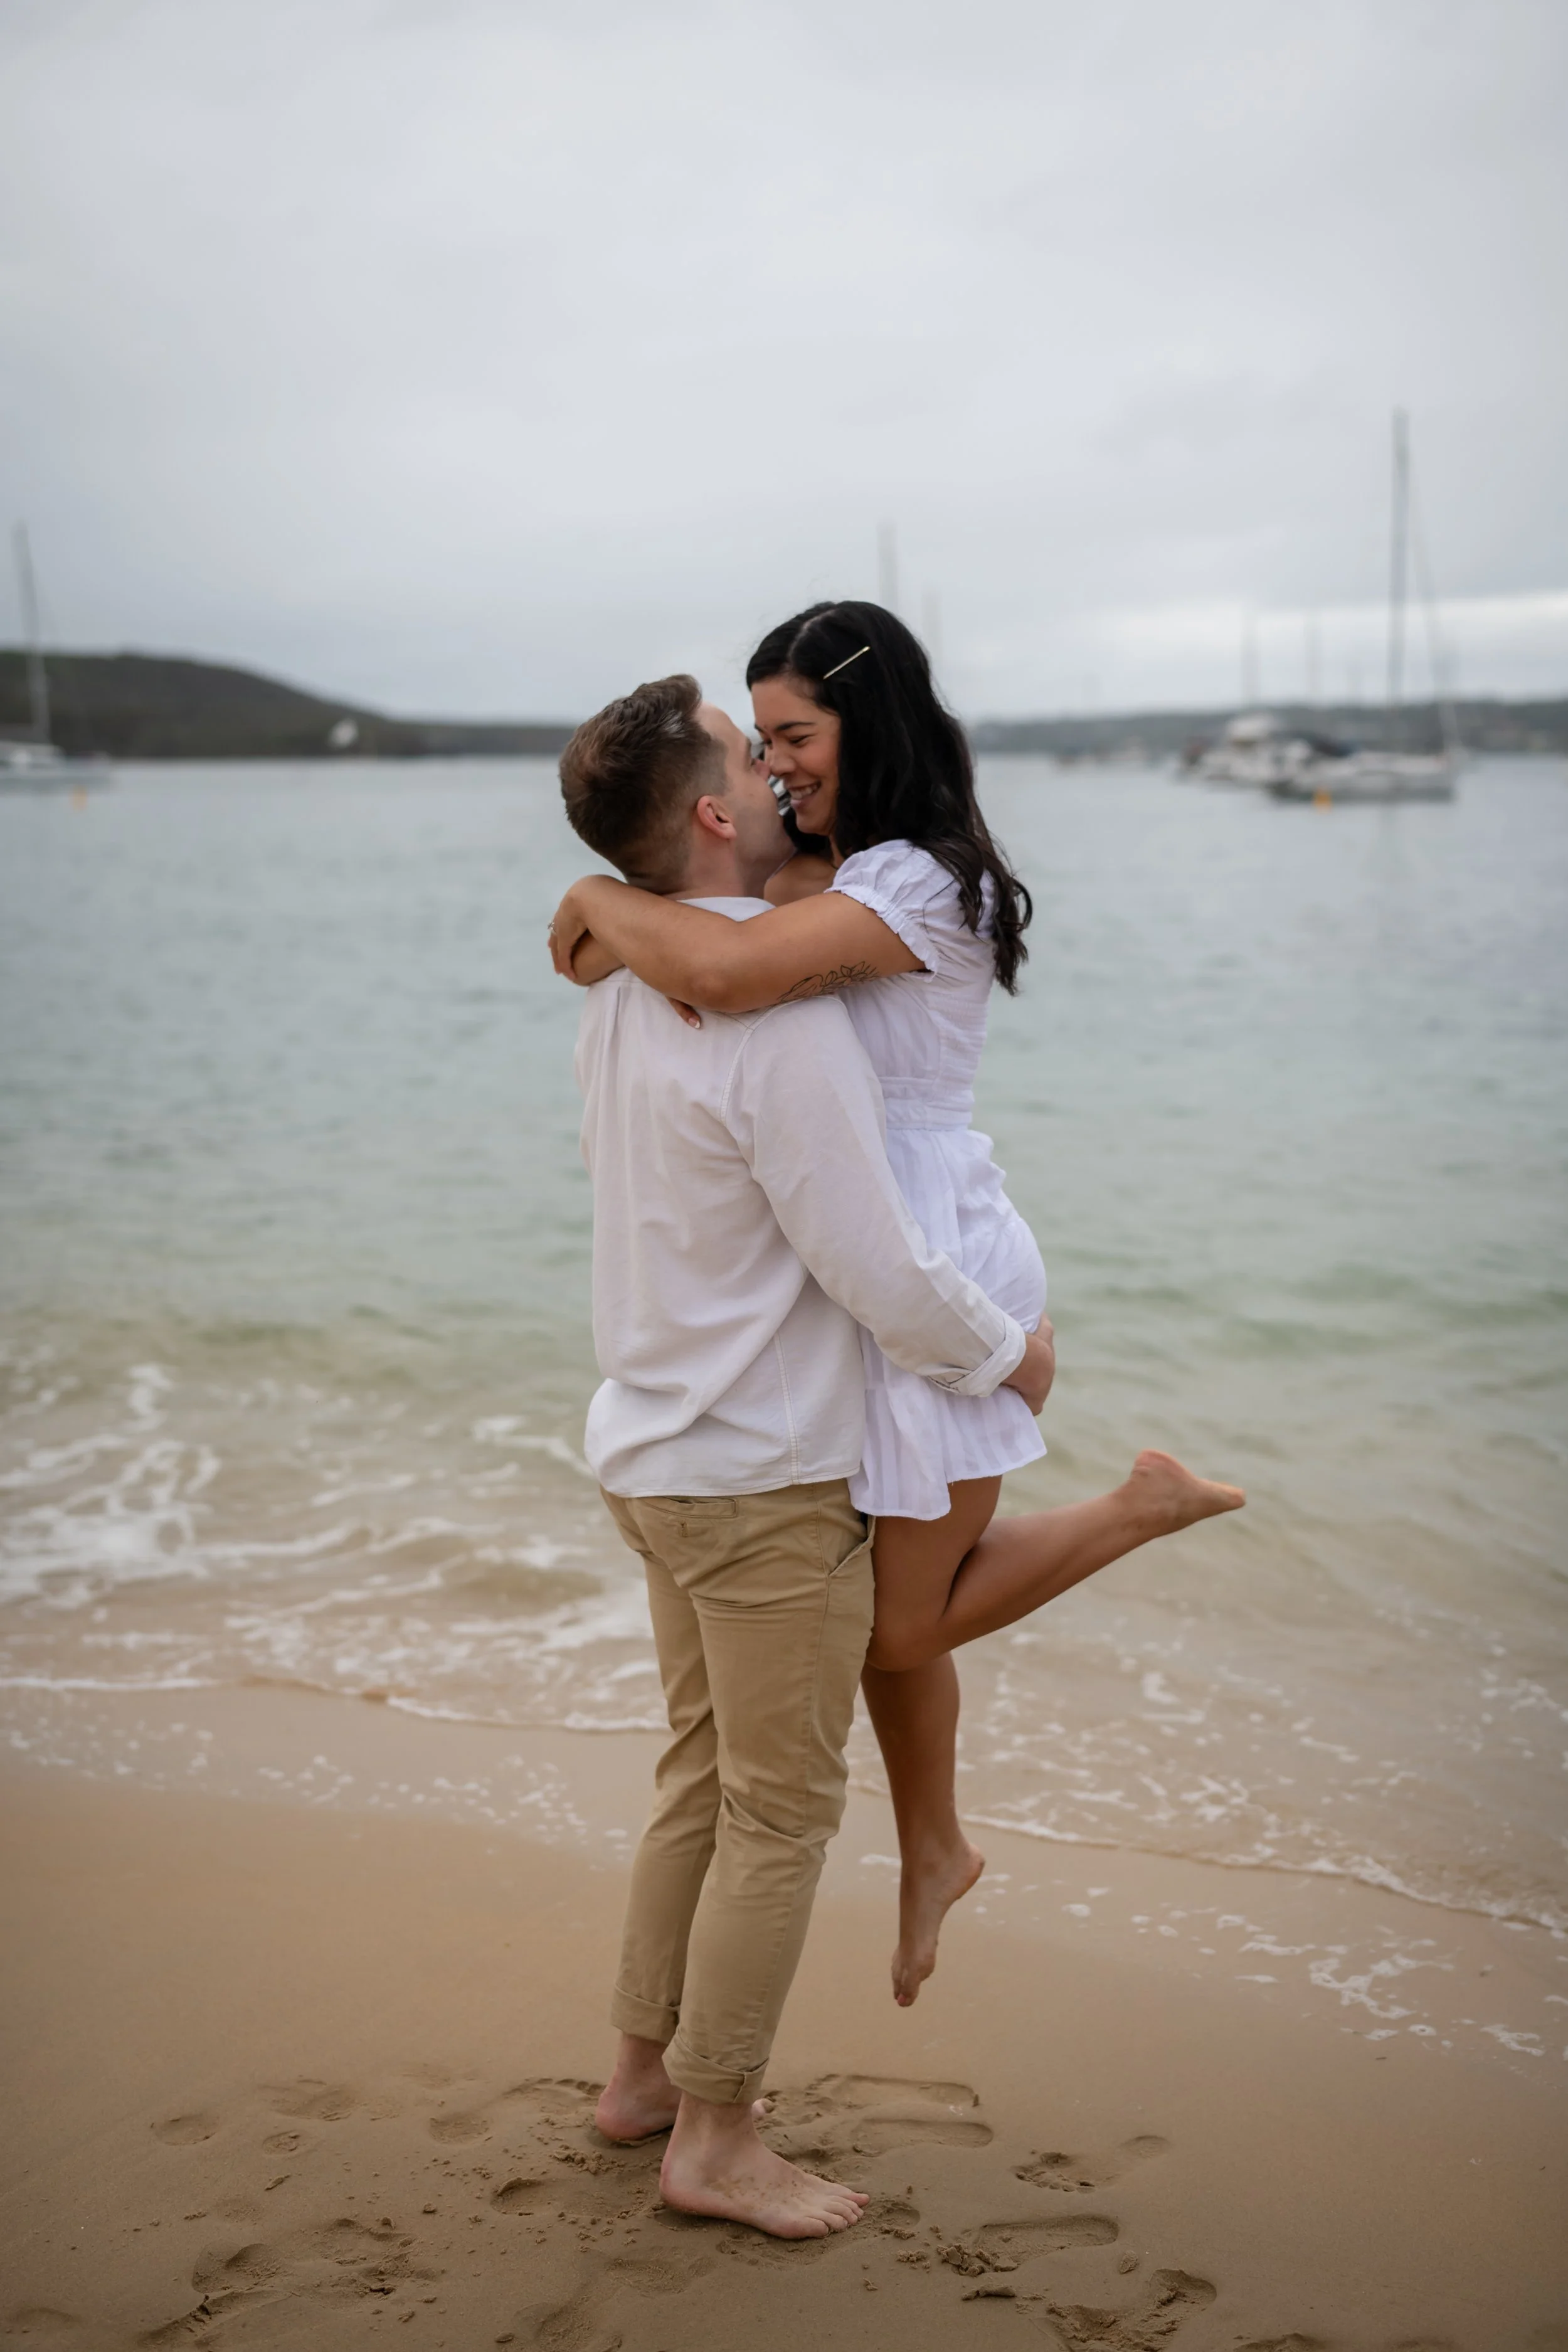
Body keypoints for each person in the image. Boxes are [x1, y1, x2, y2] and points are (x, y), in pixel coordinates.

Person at [551, 601, 1246, 2007]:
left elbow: (720, 965)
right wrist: (621, 905)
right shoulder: (814, 860)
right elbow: (601, 950)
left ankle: (1134, 1507)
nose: (781, 763)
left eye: (796, 735)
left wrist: (613, 902)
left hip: (927, 1251)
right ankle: (933, 1843)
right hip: (849, 1253)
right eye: (763, 743)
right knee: (869, 1592)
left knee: (891, 1624)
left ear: (870, 722)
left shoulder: (923, 882)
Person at [561, 672, 1054, 2239]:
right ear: (719, 811)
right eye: (748, 757)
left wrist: (586, 892)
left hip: (647, 1450)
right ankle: (713, 2139)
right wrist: (1011, 1357)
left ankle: (639, 2078)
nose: (777, 775)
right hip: (762, 1477)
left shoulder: (630, 994)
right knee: (778, 1815)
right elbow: (878, 1273)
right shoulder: (781, 1031)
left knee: (701, 1784)